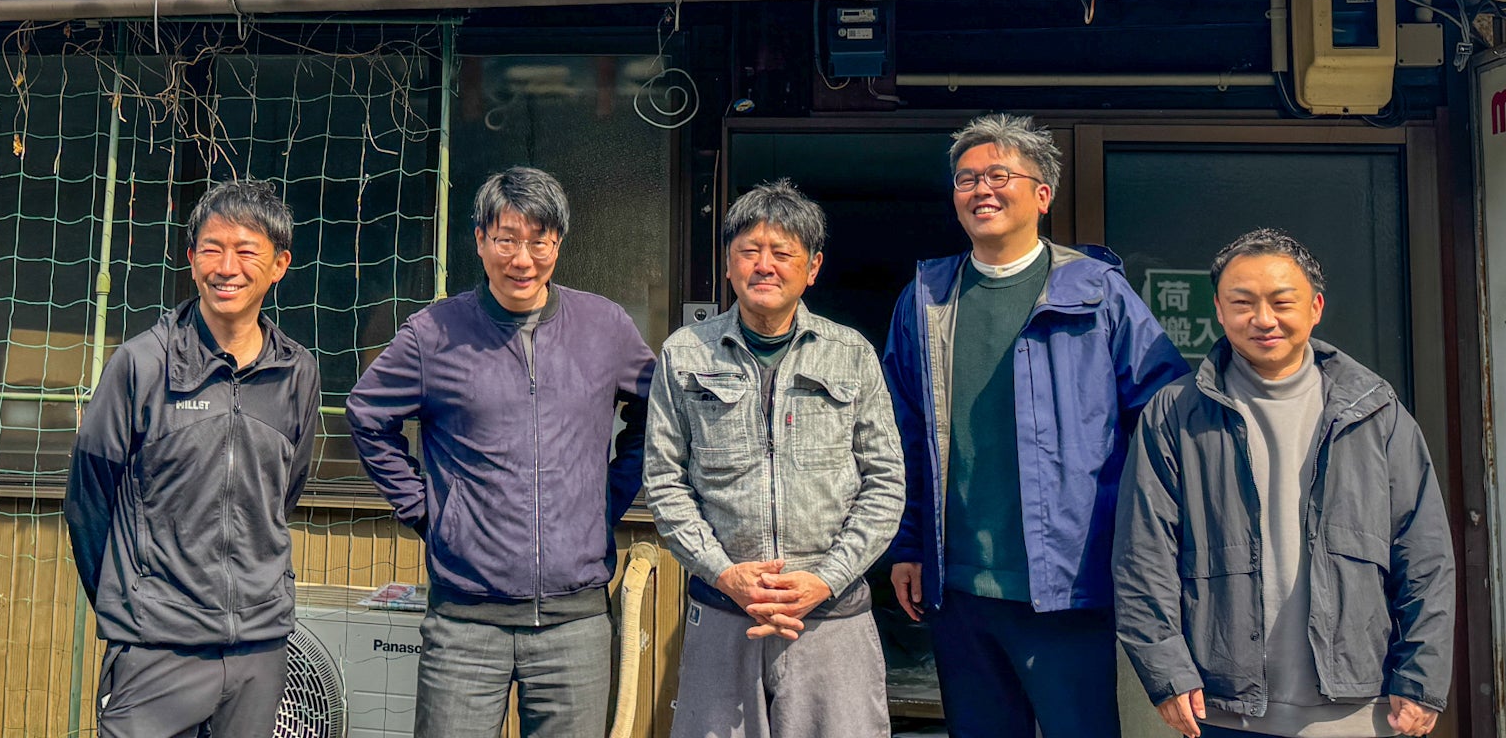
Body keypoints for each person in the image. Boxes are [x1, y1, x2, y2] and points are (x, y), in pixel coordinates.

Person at [881, 113, 1187, 738]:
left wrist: (1143, 550)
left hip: (1069, 583)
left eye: (999, 176)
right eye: (967, 179)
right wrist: (908, 546)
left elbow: (1165, 423)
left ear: (1042, 195)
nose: (981, 190)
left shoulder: (1098, 292)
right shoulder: (927, 297)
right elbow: (901, 432)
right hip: (958, 588)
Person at [346, 166, 655, 738]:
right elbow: (367, 416)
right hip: (465, 623)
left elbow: (654, 413)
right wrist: (428, 512)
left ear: (558, 243)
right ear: (480, 240)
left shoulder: (604, 326)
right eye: (506, 239)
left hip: (576, 623)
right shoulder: (434, 333)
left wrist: (606, 498)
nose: (522, 259)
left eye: (539, 241)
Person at [1116, 229, 1455, 738]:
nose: (1263, 318)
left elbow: (1425, 554)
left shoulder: (1375, 411)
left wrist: (1421, 676)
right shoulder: (1174, 414)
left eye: (1281, 302)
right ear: (1219, 310)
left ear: (1315, 307)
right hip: (1225, 710)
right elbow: (1143, 555)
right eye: (1242, 303)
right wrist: (1166, 673)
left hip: (1362, 710)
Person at [644, 179, 904, 738]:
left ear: (812, 268)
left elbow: (885, 483)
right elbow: (665, 481)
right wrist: (725, 573)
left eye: (782, 253)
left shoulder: (850, 354)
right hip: (723, 613)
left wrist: (825, 579)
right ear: (728, 264)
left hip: (832, 618)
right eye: (749, 251)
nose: (764, 265)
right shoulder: (685, 354)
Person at [64, 178, 321, 738]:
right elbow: (87, 502)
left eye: (246, 251)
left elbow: (283, 494)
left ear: (279, 265)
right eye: (211, 249)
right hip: (157, 647)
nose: (226, 267)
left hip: (259, 648)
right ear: (191, 258)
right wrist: (139, 601)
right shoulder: (140, 365)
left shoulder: (297, 372)